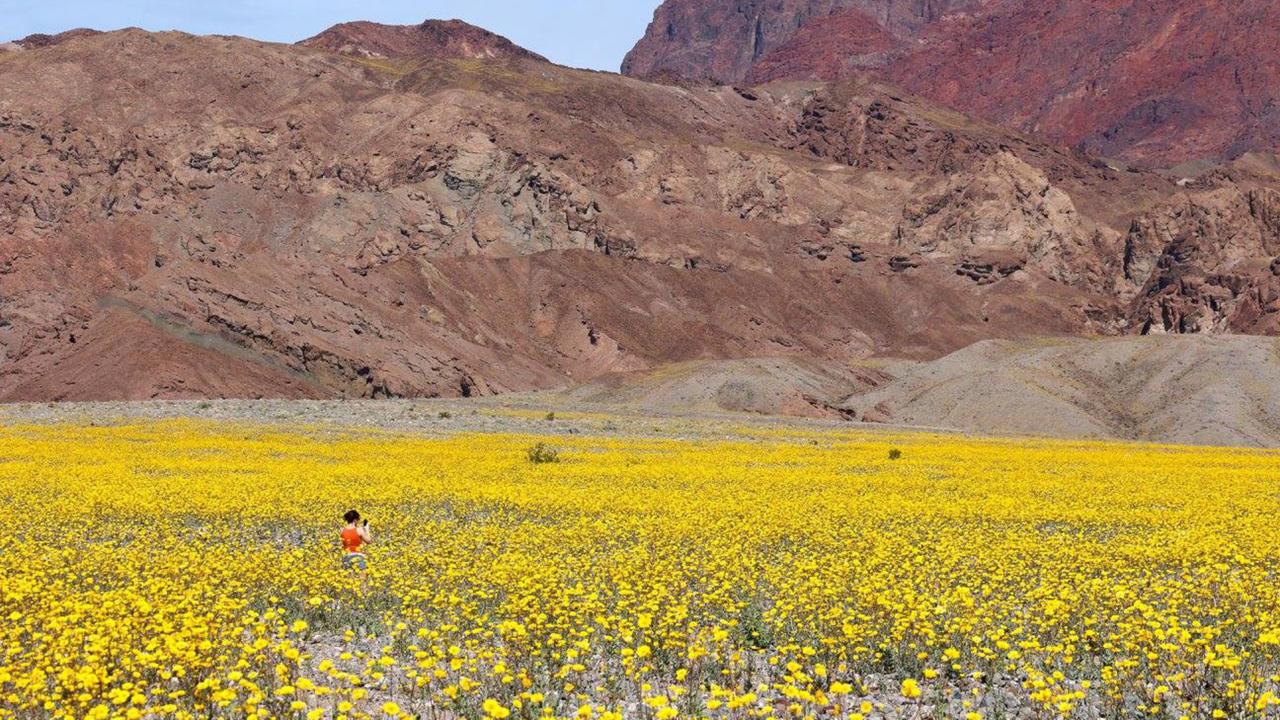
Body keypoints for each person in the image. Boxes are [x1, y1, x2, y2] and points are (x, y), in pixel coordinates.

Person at [341, 509, 372, 580]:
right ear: (355, 520)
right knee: (362, 579)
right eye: (358, 520)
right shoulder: (359, 530)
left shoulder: (342, 530)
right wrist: (366, 530)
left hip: (347, 557)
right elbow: (369, 541)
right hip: (359, 557)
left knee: (350, 580)